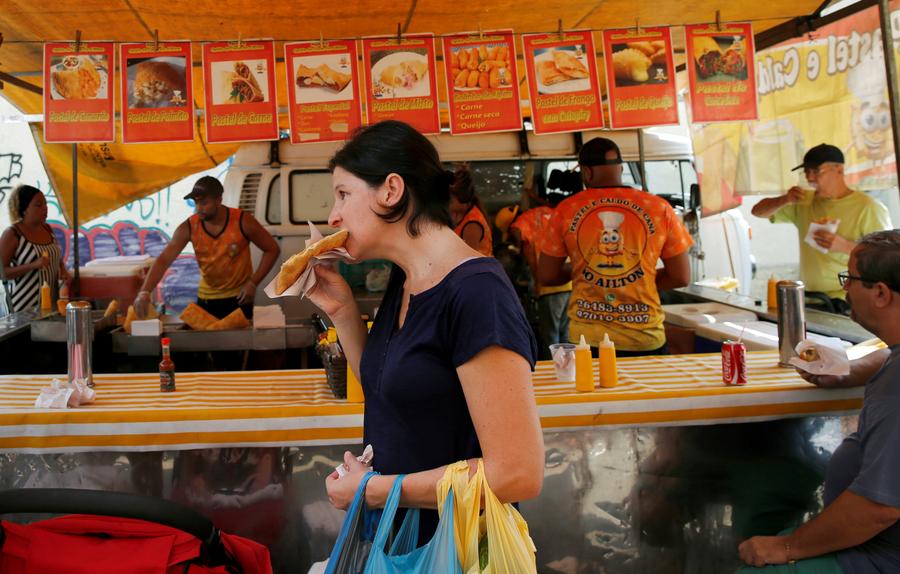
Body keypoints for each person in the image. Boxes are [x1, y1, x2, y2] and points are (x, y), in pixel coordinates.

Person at [309, 120, 543, 541]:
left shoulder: (476, 292)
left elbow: (517, 474)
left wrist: (372, 490)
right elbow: (389, 391)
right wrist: (342, 311)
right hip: (400, 542)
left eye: (344, 193)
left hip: (458, 549)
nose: (333, 215)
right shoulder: (406, 279)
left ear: (391, 190)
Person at [738, 230, 900, 572]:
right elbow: (886, 356)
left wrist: (786, 547)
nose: (845, 289)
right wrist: (848, 369)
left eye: (850, 278)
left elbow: (879, 507)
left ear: (881, 293)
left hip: (880, 556)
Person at [538, 137, 693, 356]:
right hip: (644, 337)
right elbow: (681, 277)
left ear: (586, 172)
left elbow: (546, 275)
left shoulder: (566, 210)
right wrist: (643, 278)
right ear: (621, 167)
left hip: (587, 340)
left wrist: (584, 269)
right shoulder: (659, 208)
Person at [750, 143, 891, 310]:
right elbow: (758, 211)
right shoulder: (803, 200)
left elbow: (886, 258)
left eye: (816, 171)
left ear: (839, 169)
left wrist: (844, 246)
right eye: (807, 172)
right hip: (808, 298)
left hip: (846, 301)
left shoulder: (868, 207)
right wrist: (785, 199)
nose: (810, 178)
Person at [134, 176, 280, 320]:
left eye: (204, 203)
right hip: (206, 300)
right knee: (208, 342)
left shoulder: (242, 221)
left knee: (239, 343)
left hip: (240, 298)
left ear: (219, 200)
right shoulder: (189, 227)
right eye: (196, 203)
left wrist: (253, 283)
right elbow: (163, 261)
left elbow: (272, 249)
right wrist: (144, 292)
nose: (198, 208)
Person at [504, 199, 572, 359]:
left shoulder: (520, 224)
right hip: (568, 280)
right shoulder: (549, 213)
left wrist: (538, 282)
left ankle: (553, 375)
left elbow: (530, 255)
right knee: (565, 336)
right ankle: (568, 374)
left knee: (550, 337)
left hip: (550, 286)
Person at [0, 184, 70, 313]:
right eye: (39, 205)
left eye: (45, 204)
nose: (45, 208)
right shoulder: (12, 233)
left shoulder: (47, 229)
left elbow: (54, 255)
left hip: (51, 305)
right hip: (24, 308)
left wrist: (62, 269)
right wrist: (33, 265)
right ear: (24, 209)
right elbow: (1, 272)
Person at [448, 163, 493, 256]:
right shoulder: (458, 214)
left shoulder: (472, 225)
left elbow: (468, 261)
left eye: (450, 200)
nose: (447, 202)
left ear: (462, 198)